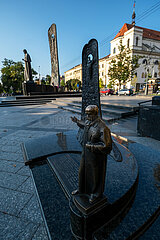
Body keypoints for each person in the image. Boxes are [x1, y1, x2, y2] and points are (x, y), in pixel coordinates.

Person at [71, 105, 112, 203]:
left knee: (94, 175)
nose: (87, 116)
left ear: (95, 114)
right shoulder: (88, 121)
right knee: (82, 171)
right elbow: (83, 124)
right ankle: (82, 189)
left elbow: (107, 146)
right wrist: (77, 121)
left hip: (95, 157)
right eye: (86, 113)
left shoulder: (102, 127)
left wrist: (92, 147)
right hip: (85, 154)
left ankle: (95, 194)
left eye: (89, 114)